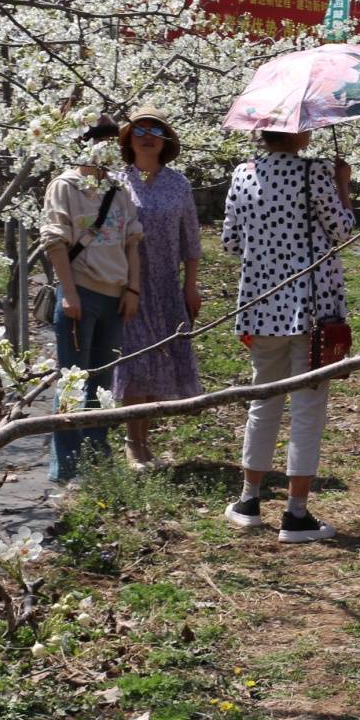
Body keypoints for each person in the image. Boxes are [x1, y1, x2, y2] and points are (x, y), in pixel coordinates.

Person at [219, 127, 352, 543]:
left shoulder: (242, 174)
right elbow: (344, 231)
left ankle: (249, 500)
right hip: (312, 308)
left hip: (260, 305)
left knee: (263, 401)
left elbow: (231, 242)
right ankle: (296, 514)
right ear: (301, 133)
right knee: (308, 408)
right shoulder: (315, 174)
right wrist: (342, 185)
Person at [40, 116, 143, 485]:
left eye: (113, 143)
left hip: (115, 296)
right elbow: (55, 242)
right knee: (72, 380)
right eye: (98, 141)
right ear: (82, 144)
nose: (108, 150)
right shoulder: (65, 187)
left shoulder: (119, 190)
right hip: (80, 292)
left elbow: (132, 242)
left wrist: (133, 290)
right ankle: (66, 470)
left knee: (102, 382)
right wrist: (68, 293)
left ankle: (98, 462)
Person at [117, 106, 203, 469]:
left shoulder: (178, 184)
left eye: (155, 129)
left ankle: (144, 440)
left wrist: (191, 286)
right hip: (127, 285)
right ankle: (131, 443)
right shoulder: (116, 182)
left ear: (165, 139)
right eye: (139, 130)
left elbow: (192, 240)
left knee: (158, 361)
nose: (148, 135)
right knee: (134, 361)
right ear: (128, 139)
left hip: (167, 284)